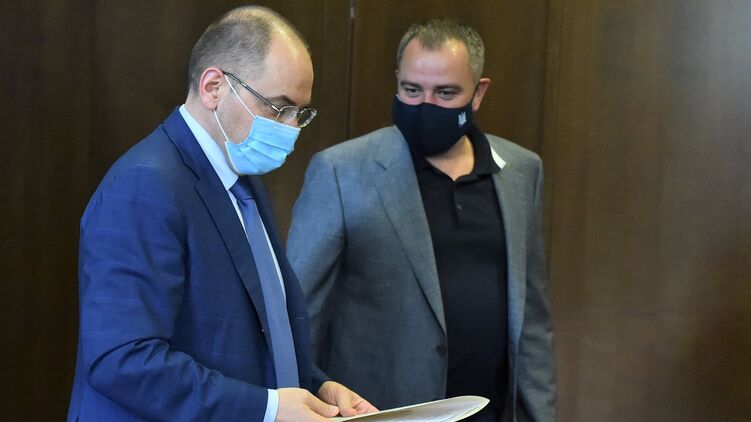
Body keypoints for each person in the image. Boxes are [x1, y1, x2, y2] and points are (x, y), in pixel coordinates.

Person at [67, 6, 376, 421]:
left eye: (299, 113)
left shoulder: (243, 181)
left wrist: (315, 386)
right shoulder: (144, 185)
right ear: (214, 87)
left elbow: (254, 335)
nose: (290, 129)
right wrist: (268, 408)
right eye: (278, 107)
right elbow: (123, 359)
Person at [287, 18, 556, 422]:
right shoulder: (341, 172)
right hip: (382, 410)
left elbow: (531, 314)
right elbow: (299, 312)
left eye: (445, 93)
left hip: (492, 410)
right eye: (412, 90)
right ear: (397, 81)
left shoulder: (521, 170)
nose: (424, 105)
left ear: (478, 93)